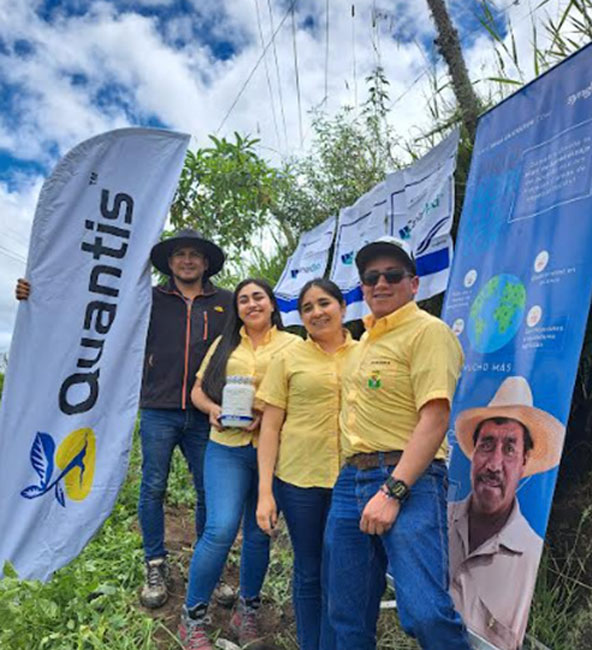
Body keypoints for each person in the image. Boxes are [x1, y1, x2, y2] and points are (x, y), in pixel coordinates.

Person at [15, 228, 233, 610]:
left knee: (208, 491)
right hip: (158, 408)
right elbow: (90, 305)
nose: (187, 260)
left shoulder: (225, 302)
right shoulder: (147, 297)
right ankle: (155, 563)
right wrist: (40, 293)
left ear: (205, 262)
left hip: (206, 412)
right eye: (179, 254)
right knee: (153, 487)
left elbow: (259, 323)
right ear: (169, 262)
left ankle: (209, 567)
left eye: (194, 254)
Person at [322, 235, 472, 650]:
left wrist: (393, 491)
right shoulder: (362, 343)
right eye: (371, 278)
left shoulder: (429, 332)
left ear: (414, 283)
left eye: (393, 275)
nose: (381, 284)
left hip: (408, 480)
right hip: (351, 482)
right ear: (363, 287)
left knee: (426, 613)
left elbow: (435, 417)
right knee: (347, 615)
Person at [179, 278, 299, 650]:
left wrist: (270, 416)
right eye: (243, 300)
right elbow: (197, 391)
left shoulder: (294, 345)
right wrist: (212, 409)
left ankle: (246, 610)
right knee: (220, 529)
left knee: (260, 531)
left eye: (258, 297)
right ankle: (192, 618)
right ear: (237, 309)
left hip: (273, 451)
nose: (251, 304)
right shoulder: (225, 344)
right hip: (226, 448)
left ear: (272, 303)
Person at [256, 278, 357, 650]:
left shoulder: (366, 353)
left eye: (324, 303)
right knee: (309, 569)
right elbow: (270, 426)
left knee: (341, 573)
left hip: (353, 479)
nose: (316, 312)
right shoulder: (288, 358)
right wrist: (265, 492)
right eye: (307, 308)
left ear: (342, 307)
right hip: (299, 479)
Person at [449, 375, 564, 650]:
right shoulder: (436, 523)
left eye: (510, 449)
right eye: (486, 445)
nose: (494, 464)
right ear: (473, 453)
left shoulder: (532, 557)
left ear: (524, 463)